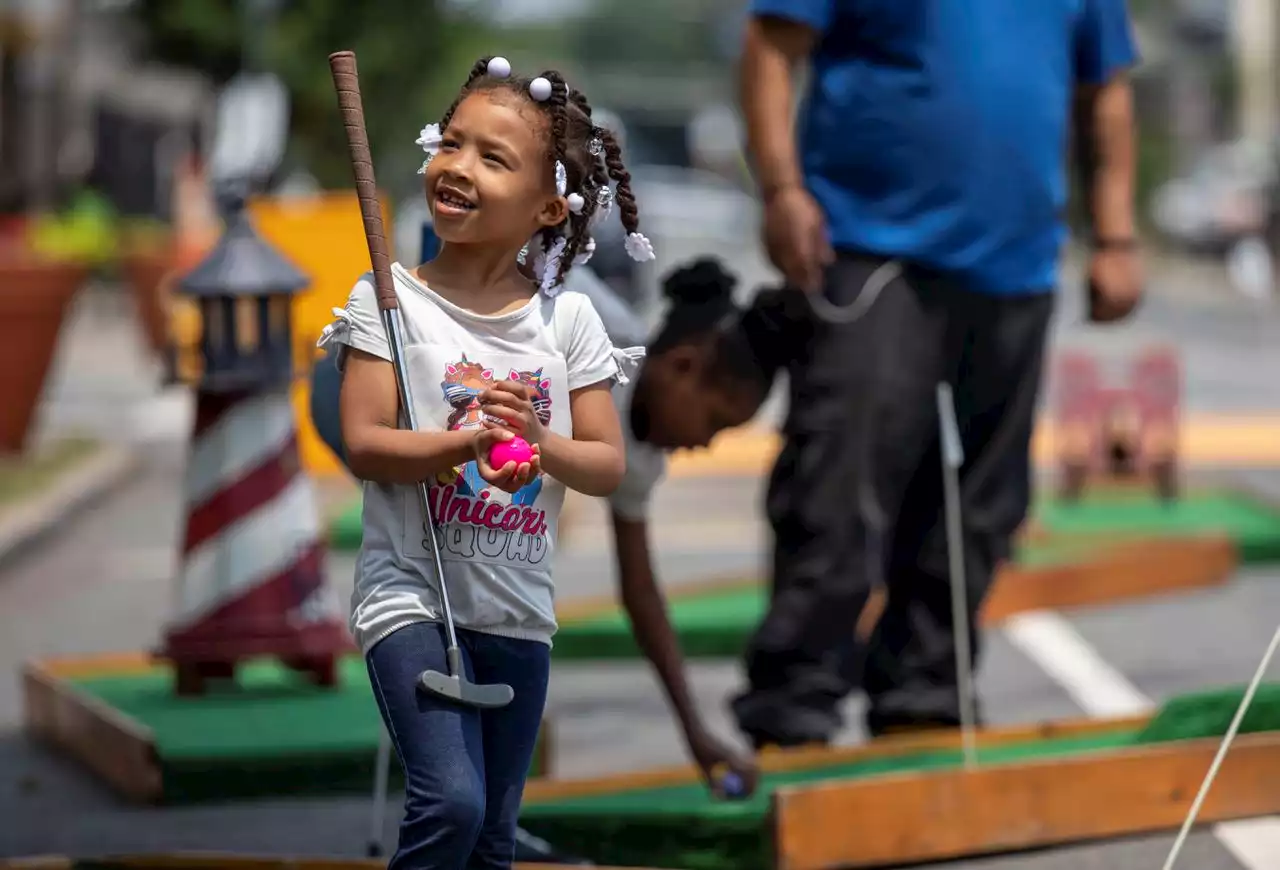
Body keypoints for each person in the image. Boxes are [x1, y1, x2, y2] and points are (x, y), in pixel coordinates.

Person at [732, 1, 1145, 748]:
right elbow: (770, 45)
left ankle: (924, 698)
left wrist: (1115, 232)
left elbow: (1106, 88)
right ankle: (793, 708)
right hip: (870, 245)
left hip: (1017, 263)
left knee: (978, 506)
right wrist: (780, 189)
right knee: (837, 488)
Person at [316, 55, 655, 870]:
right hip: (410, 600)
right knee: (451, 804)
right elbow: (365, 443)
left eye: (492, 157)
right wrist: (462, 444)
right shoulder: (387, 302)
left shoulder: (567, 323)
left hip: (517, 613)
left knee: (494, 839)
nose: (458, 167)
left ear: (548, 206)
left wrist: (539, 444)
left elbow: (606, 464)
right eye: (452, 144)